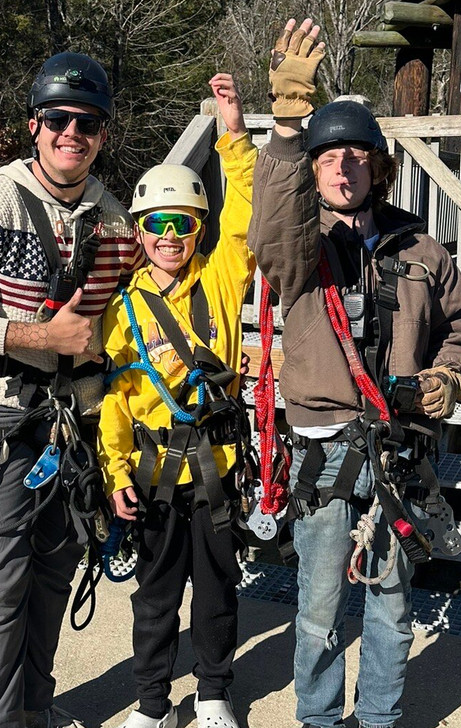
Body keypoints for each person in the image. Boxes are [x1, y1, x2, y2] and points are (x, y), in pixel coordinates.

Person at [247, 19, 461, 728]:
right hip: (321, 447)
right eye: (327, 158)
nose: (342, 168)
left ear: (377, 167)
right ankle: (319, 720)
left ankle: (379, 719)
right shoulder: (301, 249)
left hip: (399, 445)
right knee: (317, 610)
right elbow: (269, 229)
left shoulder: (424, 249)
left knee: (391, 604)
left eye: (355, 156)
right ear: (314, 171)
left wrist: (446, 381)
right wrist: (289, 126)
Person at [0, 51, 143, 728]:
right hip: (1, 414)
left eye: (88, 122)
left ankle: (35, 712)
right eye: (59, 119)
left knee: (51, 576)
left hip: (74, 423)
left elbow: (142, 303)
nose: (73, 132)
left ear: (103, 134)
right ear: (35, 125)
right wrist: (40, 337)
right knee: (2, 585)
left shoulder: (112, 219)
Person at [97, 73, 257, 728]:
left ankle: (214, 692)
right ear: (140, 231)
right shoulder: (121, 307)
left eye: (183, 224)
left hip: (215, 475)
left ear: (197, 229)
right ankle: (155, 704)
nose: (169, 236)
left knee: (216, 595)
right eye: (157, 225)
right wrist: (113, 472)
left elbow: (242, 218)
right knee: (155, 598)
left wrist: (233, 135)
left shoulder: (219, 280)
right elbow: (117, 401)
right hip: (154, 475)